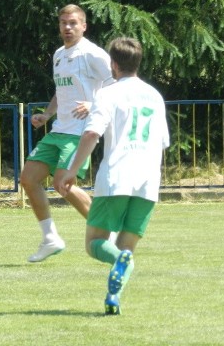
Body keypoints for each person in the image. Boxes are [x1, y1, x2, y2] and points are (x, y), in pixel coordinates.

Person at [56, 37, 169, 315]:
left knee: (95, 244)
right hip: (148, 181)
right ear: (138, 62)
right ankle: (113, 299)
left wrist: (72, 170)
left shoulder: (108, 93)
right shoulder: (155, 95)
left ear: (113, 64)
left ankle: (117, 263)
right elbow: (163, 141)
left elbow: (93, 133)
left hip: (117, 176)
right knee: (127, 249)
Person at [20, 4, 114, 262]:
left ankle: (110, 233)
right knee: (28, 179)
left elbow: (117, 85)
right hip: (59, 130)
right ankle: (50, 238)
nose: (68, 27)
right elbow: (61, 92)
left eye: (73, 23)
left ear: (84, 26)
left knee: (63, 184)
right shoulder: (60, 54)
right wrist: (47, 115)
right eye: (64, 23)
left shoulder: (92, 54)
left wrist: (95, 105)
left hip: (81, 132)